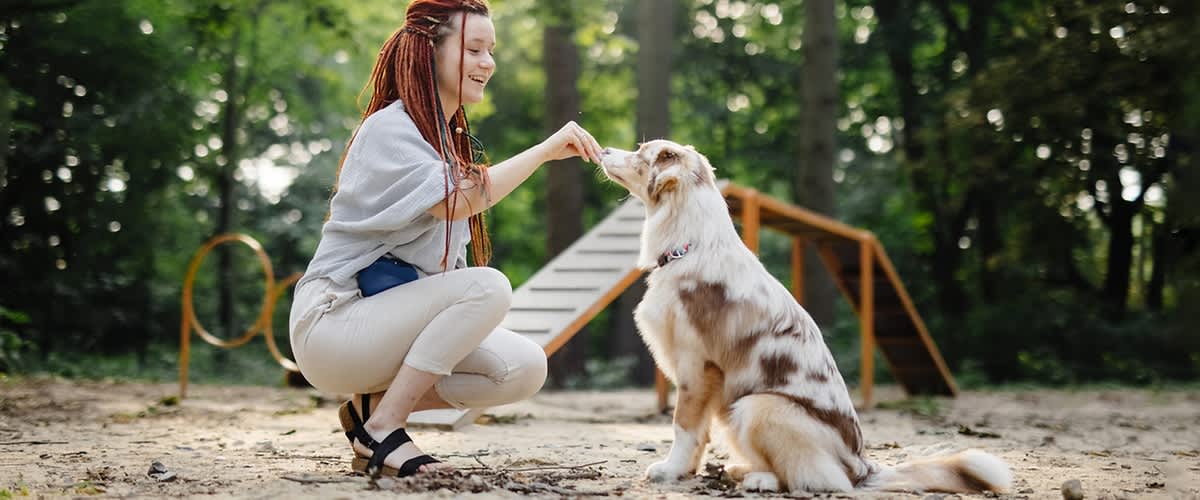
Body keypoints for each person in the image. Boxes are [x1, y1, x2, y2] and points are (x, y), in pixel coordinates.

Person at [288, 0, 603, 478]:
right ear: (429, 51)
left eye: (491, 51)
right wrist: (543, 151)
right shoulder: (391, 128)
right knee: (489, 286)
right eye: (474, 49)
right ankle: (384, 429)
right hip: (333, 325)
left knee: (523, 367)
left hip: (381, 328)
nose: (488, 63)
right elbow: (461, 199)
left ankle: (369, 411)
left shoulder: (442, 143)